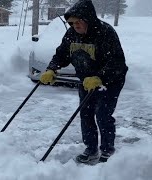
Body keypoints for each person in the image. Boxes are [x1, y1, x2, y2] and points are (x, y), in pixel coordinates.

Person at [39, 0, 128, 164]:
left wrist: (100, 77)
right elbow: (61, 55)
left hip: (110, 80)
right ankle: (91, 149)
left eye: (78, 21)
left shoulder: (105, 32)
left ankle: (108, 151)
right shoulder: (71, 34)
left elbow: (117, 61)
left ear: (88, 19)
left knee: (103, 115)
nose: (75, 25)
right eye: (72, 22)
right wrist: (51, 69)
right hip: (86, 80)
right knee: (86, 114)